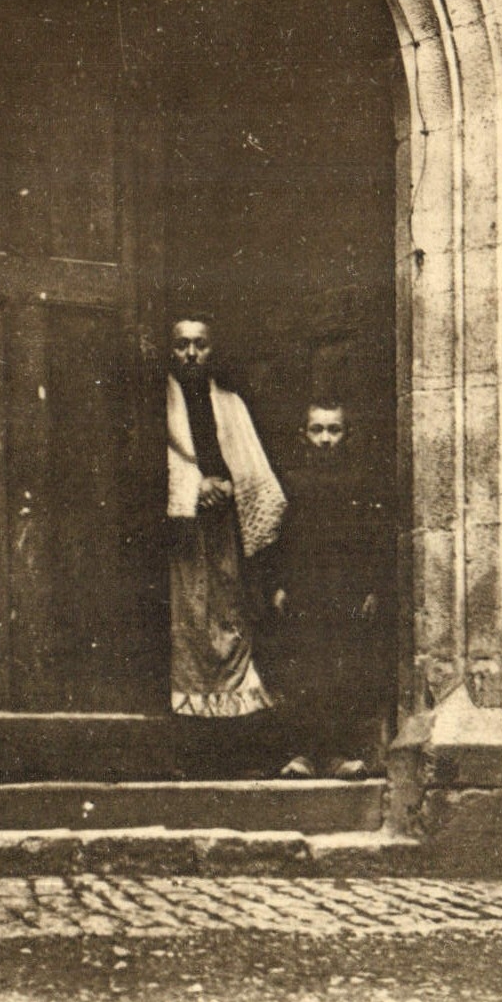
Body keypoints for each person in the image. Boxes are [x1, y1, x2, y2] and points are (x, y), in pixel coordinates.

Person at [166, 317, 286, 720]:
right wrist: (194, 486)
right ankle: (190, 724)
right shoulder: (160, 405)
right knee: (190, 620)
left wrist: (233, 487)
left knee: (231, 618)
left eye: (200, 344)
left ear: (212, 349)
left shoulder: (231, 405)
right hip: (183, 529)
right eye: (182, 345)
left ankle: (236, 728)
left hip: (226, 529)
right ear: (171, 350)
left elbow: (250, 465)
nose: (192, 354)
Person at [264, 400, 390, 778]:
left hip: (346, 590)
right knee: (304, 670)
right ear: (305, 434)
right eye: (317, 430)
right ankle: (302, 754)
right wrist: (279, 585)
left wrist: (372, 588)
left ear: (346, 434)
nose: (325, 439)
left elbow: (375, 538)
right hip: (305, 590)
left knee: (343, 670)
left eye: (333, 430)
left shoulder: (363, 482)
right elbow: (280, 538)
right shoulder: (292, 480)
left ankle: (337, 756)